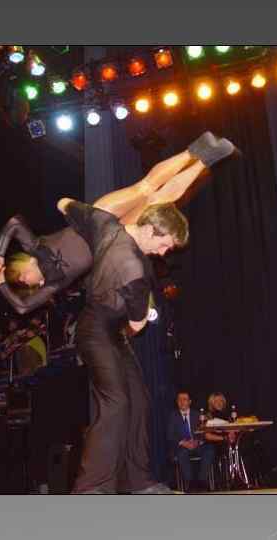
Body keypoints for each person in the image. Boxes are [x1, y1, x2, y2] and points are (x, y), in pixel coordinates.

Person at [0, 132, 237, 314]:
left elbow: (15, 222)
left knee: (145, 188)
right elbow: (22, 307)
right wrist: (1, 284)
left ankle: (194, 150)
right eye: (30, 286)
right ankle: (204, 159)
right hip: (112, 238)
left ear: (23, 267)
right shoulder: (54, 283)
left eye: (26, 280)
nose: (33, 283)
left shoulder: (35, 246)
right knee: (159, 200)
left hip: (94, 219)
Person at [58, 198, 190, 495]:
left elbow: (63, 203)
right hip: (97, 330)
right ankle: (91, 488)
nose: (164, 252)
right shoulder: (133, 267)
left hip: (109, 330)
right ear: (151, 230)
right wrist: (142, 314)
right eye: (165, 244)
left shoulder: (107, 224)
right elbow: (138, 325)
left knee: (139, 400)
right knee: (116, 402)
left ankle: (139, 482)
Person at [166, 391, 215, 492]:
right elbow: (170, 435)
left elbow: (203, 432)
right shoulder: (172, 416)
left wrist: (197, 441)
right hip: (182, 446)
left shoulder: (197, 415)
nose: (182, 402)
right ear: (177, 402)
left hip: (197, 445)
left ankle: (202, 481)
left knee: (209, 450)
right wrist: (183, 443)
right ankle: (190, 483)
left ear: (190, 402)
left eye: (184, 399)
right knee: (182, 453)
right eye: (179, 400)